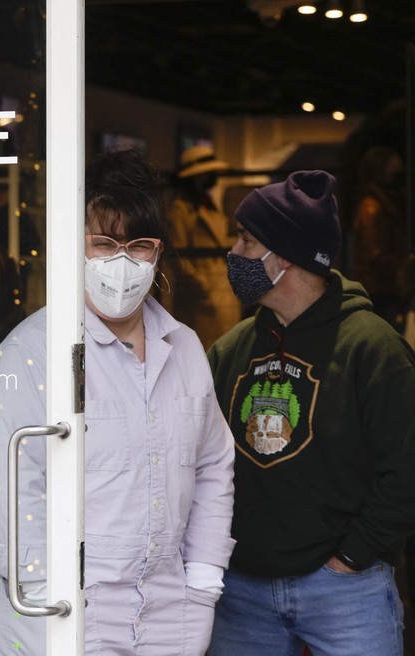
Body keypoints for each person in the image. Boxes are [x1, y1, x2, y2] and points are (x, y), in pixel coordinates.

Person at [0, 149, 235, 654]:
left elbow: (211, 466)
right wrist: (48, 599)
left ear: (158, 253)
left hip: (167, 607)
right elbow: (11, 490)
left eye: (139, 245)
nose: (122, 262)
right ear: (74, 245)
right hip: (61, 608)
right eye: (104, 243)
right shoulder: (30, 354)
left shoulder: (183, 348)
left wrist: (202, 579)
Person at [205, 170, 415, 655]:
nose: (233, 253)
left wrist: (351, 558)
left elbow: (405, 471)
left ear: (285, 256)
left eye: (246, 240)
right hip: (242, 591)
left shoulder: (374, 349)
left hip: (347, 591)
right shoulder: (230, 350)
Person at [164, 145, 243, 349]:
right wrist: (200, 285)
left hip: (219, 286)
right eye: (209, 173)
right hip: (201, 296)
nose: (214, 177)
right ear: (198, 177)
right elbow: (177, 253)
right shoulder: (181, 209)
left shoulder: (207, 204)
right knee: (204, 348)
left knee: (225, 347)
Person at [350, 145, 412, 333]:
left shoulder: (386, 203)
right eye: (392, 169)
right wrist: (407, 261)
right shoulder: (374, 206)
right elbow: (375, 255)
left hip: (386, 288)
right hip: (381, 290)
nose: (397, 176)